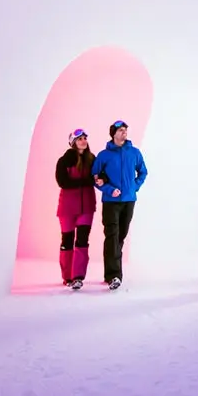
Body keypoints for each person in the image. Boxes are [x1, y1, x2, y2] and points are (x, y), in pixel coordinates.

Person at [91, 120, 148, 290]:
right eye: (121, 130)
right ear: (113, 133)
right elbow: (95, 177)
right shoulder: (103, 155)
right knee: (112, 236)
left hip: (129, 201)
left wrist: (134, 186)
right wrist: (109, 189)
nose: (125, 132)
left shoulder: (134, 153)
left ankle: (113, 269)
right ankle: (114, 275)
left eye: (126, 130)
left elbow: (143, 172)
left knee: (120, 236)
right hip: (111, 203)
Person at [55, 128, 97, 290]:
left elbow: (100, 176)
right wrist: (86, 182)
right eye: (80, 138)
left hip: (86, 206)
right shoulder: (64, 160)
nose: (83, 141)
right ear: (73, 142)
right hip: (67, 207)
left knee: (82, 240)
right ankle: (67, 276)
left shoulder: (92, 159)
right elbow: (63, 182)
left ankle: (78, 276)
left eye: (85, 138)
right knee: (67, 241)